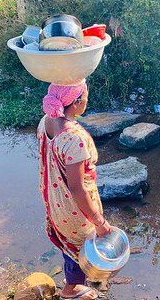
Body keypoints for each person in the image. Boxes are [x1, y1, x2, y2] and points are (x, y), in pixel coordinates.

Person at [37, 80, 111, 300]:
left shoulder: (46, 121)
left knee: (67, 243)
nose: (87, 100)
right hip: (73, 208)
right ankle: (71, 290)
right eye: (85, 96)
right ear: (77, 102)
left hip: (53, 197)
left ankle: (73, 282)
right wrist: (99, 221)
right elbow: (77, 188)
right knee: (79, 247)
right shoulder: (73, 139)